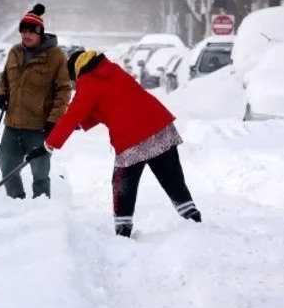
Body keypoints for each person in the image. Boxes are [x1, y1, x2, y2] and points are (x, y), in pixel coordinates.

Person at [26, 49, 203, 237]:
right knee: (172, 179)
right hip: (160, 128)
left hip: (133, 139)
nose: (74, 86)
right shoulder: (110, 69)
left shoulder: (88, 82)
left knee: (123, 184)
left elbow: (73, 114)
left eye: (72, 82)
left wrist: (48, 145)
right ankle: (193, 221)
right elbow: (106, 105)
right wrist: (78, 125)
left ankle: (123, 231)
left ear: (75, 73)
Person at [0, 3, 72, 199]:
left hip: (39, 126)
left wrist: (53, 120)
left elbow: (63, 90)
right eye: (23, 32)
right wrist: (2, 95)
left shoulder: (55, 56)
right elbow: (4, 77)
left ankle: (41, 211)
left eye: (31, 32)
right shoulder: (15, 52)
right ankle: (17, 203)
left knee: (40, 173)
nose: (26, 36)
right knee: (7, 167)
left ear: (40, 33)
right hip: (12, 124)